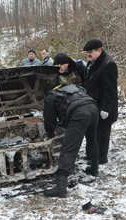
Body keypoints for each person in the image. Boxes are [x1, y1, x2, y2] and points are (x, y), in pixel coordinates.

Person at [43, 53, 99, 198]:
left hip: (80, 113)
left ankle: (61, 187)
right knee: (92, 139)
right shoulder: (72, 87)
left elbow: (49, 119)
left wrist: (50, 132)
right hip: (93, 107)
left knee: (69, 148)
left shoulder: (50, 95)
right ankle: (94, 169)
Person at [82, 38, 118, 165]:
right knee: (92, 132)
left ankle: (101, 158)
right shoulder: (93, 62)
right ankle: (92, 155)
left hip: (104, 108)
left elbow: (110, 90)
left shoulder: (108, 64)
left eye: (91, 51)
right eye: (87, 52)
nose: (88, 54)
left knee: (102, 134)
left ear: (99, 50)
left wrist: (105, 109)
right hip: (94, 106)